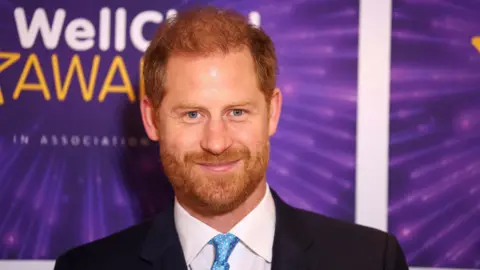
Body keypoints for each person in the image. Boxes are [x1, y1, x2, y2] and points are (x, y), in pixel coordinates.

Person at [54, 5, 409, 270]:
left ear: (272, 112)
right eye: (192, 114)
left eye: (237, 112)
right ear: (151, 119)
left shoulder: (368, 261)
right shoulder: (87, 267)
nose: (217, 142)